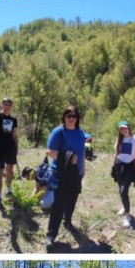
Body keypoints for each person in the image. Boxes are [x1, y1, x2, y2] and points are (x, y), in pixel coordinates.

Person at [45, 106, 86, 249]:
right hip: (61, 173)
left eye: (74, 116)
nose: (71, 118)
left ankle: (67, 221)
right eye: (68, 115)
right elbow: (50, 151)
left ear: (77, 118)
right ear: (64, 117)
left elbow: (82, 152)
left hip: (76, 174)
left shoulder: (80, 133)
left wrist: (83, 168)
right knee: (58, 204)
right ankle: (51, 235)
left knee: (72, 200)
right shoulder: (58, 132)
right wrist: (68, 157)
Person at [112, 121, 135, 230]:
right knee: (120, 190)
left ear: (129, 128)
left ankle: (127, 217)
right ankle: (125, 207)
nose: (123, 130)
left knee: (124, 192)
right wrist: (112, 166)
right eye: (121, 129)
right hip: (119, 166)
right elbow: (116, 154)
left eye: (125, 128)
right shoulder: (119, 139)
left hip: (129, 168)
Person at [0, 97, 19, 210]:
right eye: (5, 104)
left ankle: (8, 190)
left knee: (9, 170)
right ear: (2, 106)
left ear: (11, 106)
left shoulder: (14, 119)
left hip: (10, 148)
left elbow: (15, 134)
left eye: (9, 104)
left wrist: (17, 147)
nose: (7, 106)